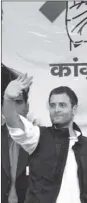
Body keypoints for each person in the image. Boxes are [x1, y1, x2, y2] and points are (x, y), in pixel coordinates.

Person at [3, 74, 87, 203]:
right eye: (52, 105)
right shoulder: (38, 137)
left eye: (62, 105)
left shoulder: (85, 145)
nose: (56, 110)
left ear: (74, 109)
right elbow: (14, 123)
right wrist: (8, 99)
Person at [1, 65, 30, 203]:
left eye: (18, 102)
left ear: (27, 106)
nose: (13, 109)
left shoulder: (42, 140)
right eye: (9, 102)